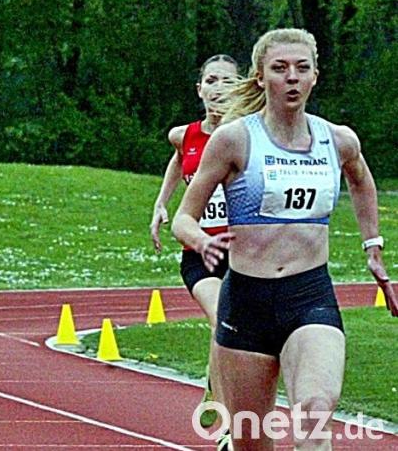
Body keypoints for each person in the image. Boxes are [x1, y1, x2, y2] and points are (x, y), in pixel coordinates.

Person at [172, 28, 398, 450]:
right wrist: (201, 240)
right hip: (246, 302)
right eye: (280, 68)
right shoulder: (234, 139)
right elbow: (183, 217)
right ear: (260, 77)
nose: (292, 77)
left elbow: (362, 182)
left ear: (315, 76)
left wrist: (373, 247)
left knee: (314, 413)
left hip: (308, 295)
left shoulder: (339, 140)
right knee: (251, 442)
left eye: (302, 68)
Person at [150, 53, 238, 432]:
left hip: (242, 254)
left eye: (228, 82)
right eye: (212, 81)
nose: (219, 89)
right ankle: (226, 416)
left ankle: (212, 379)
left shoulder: (248, 135)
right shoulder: (183, 134)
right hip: (198, 254)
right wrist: (161, 203)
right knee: (223, 319)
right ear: (199, 89)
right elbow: (177, 158)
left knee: (240, 334)